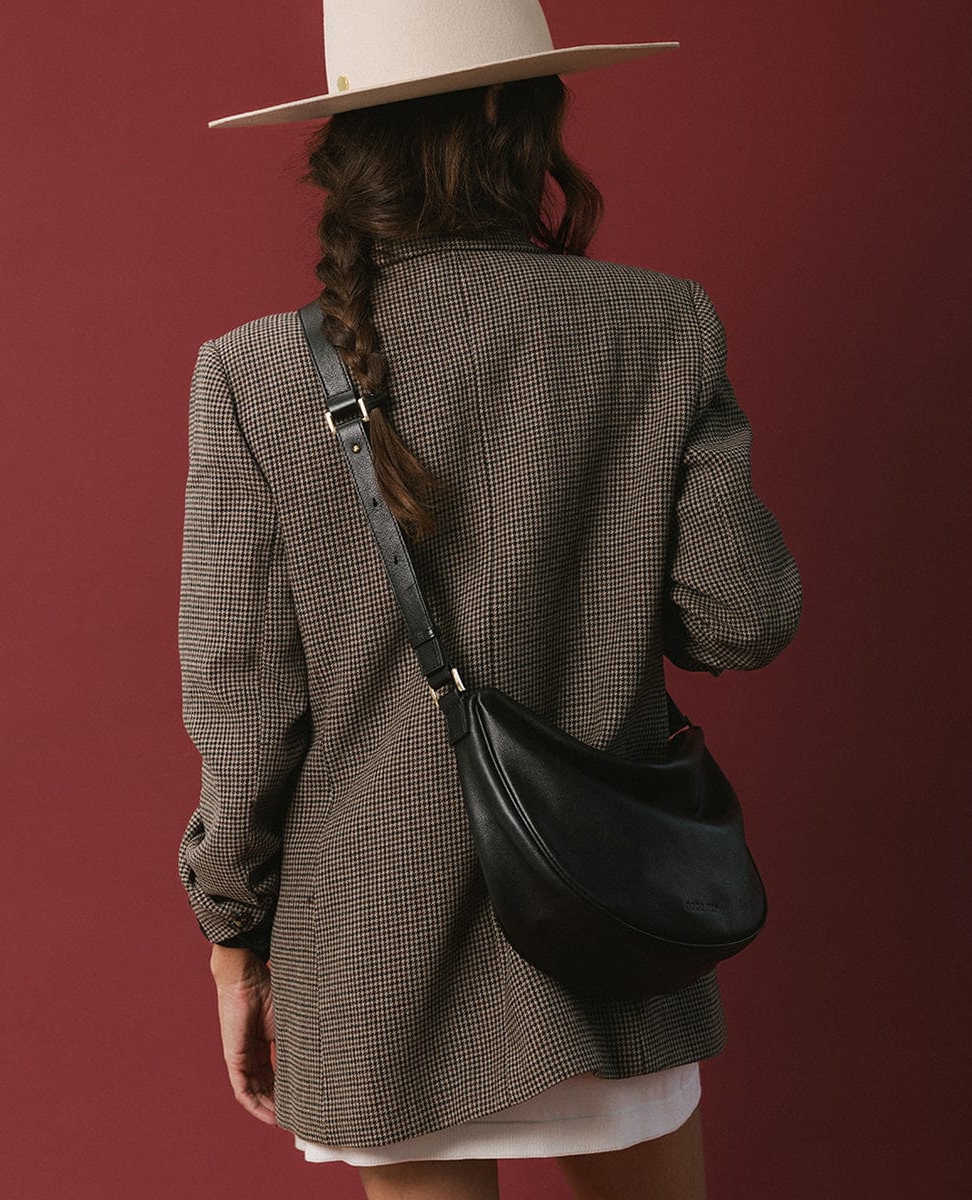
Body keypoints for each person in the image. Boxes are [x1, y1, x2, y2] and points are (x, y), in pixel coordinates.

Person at [176, 3, 803, 1198]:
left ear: (345, 145)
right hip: (608, 925)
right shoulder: (658, 325)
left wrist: (231, 937)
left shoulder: (251, 373)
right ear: (525, 122)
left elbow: (243, 703)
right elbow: (743, 616)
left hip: (370, 946)